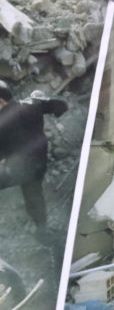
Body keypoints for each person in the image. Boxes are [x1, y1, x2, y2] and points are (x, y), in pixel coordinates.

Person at [0, 81, 68, 242]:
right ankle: (42, 232)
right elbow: (62, 105)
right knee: (33, 195)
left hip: (15, 170)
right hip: (38, 166)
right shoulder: (31, 104)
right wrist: (41, 99)